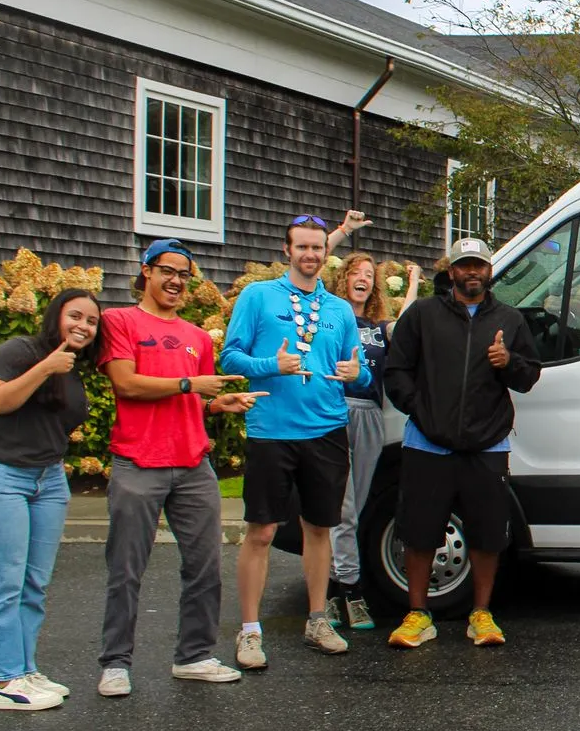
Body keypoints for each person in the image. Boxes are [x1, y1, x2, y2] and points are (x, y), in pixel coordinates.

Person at [98, 239, 262, 698]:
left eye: (184, 275)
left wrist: (214, 405)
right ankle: (115, 663)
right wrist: (191, 384)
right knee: (126, 568)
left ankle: (194, 656)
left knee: (205, 566)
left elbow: (187, 400)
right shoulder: (120, 322)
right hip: (137, 461)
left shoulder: (194, 337)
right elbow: (127, 384)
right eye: (167, 271)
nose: (175, 281)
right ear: (146, 272)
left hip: (192, 464)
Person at [220, 215, 369, 668]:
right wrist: (272, 364)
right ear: (287, 251)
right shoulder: (257, 297)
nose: (310, 255)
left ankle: (318, 618)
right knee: (262, 531)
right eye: (302, 247)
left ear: (327, 253)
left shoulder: (340, 310)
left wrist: (355, 373)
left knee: (320, 528)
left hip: (325, 429)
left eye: (317, 248)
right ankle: (249, 631)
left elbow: (358, 369)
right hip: (272, 432)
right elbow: (230, 355)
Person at [382, 237, 541, 649]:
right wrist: (421, 409)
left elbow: (529, 376)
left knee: (488, 534)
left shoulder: (509, 319)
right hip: (428, 444)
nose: (473, 272)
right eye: (465, 265)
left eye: (480, 266)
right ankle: (418, 615)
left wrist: (509, 363)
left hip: (486, 445)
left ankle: (481, 615)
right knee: (419, 531)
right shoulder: (422, 315)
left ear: (490, 272)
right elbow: (397, 370)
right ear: (450, 270)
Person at [0, 289, 100, 711]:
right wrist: (44, 368)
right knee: (3, 580)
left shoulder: (74, 368)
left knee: (33, 583)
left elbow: (42, 423)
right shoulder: (20, 351)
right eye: (75, 315)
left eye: (92, 321)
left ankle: (25, 668)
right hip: (0, 476)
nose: (83, 326)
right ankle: (5, 682)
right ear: (56, 315)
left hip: (49, 480)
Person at [325, 250, 420, 632]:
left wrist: (413, 284)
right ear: (344, 279)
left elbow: (408, 323)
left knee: (357, 506)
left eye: (369, 274)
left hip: (369, 415)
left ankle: (336, 589)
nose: (362, 278)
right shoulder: (330, 318)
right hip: (334, 412)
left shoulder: (379, 328)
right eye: (356, 273)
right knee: (342, 507)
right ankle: (346, 591)